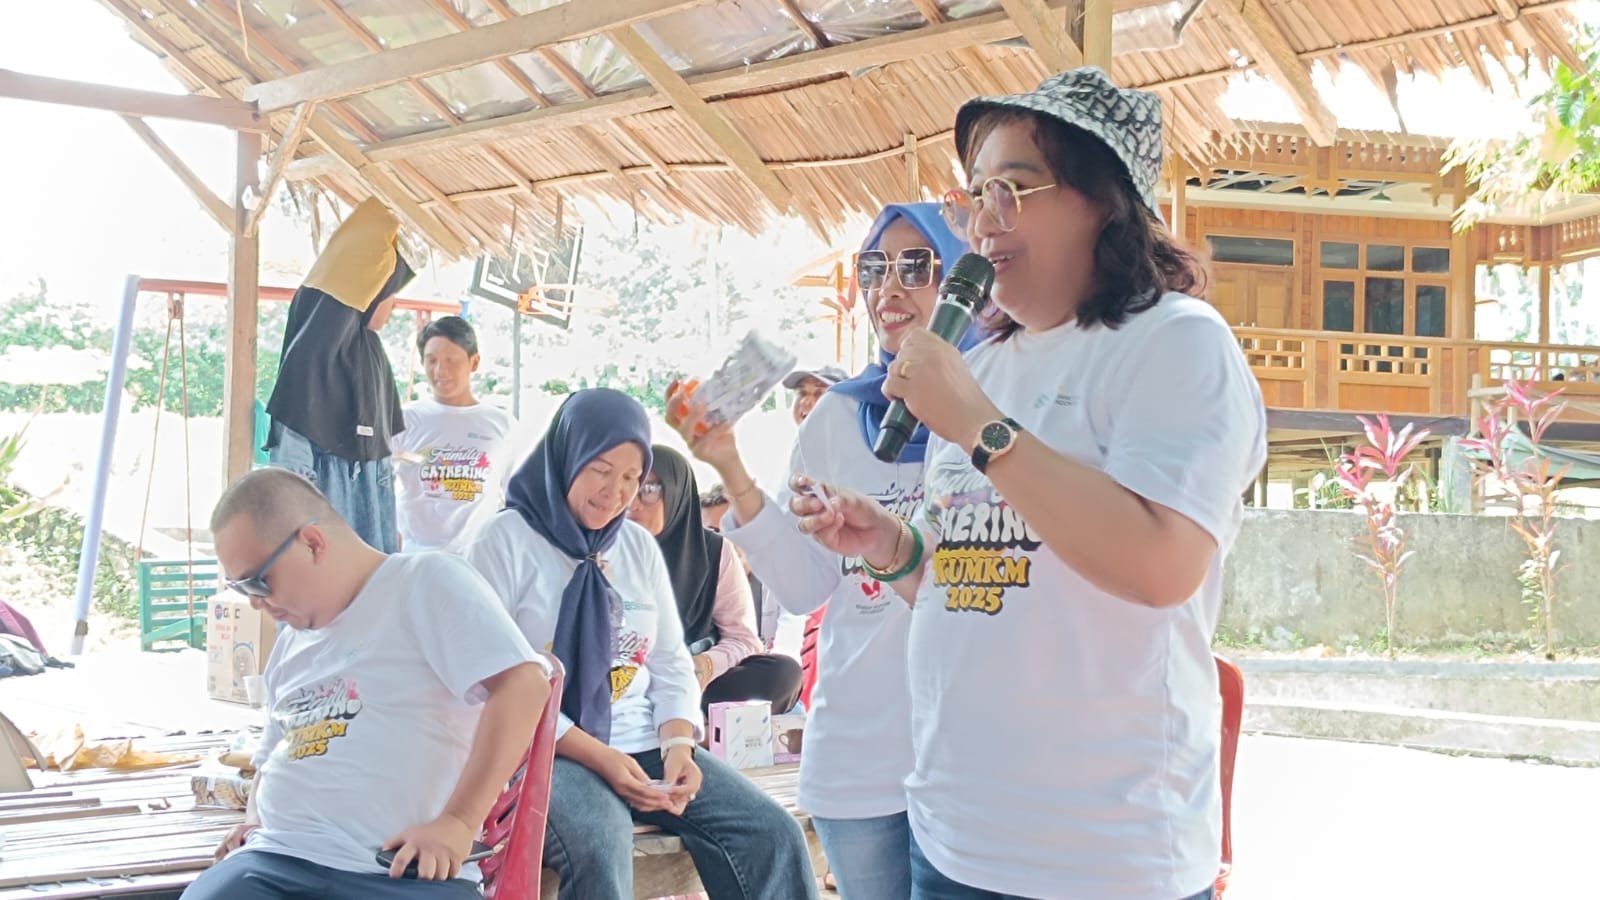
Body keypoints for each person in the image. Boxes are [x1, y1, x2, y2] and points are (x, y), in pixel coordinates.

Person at [788, 68, 1268, 900]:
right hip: (953, 840)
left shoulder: (1176, 343)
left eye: (1013, 188)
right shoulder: (983, 365)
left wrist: (980, 427)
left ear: (1102, 200)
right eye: (976, 194)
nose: (984, 219)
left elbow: (1161, 566)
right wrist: (894, 550)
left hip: (1105, 860)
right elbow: (968, 586)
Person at [668, 201, 977, 899]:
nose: (889, 286)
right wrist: (730, 466)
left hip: (971, 752)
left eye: (916, 266)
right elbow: (806, 586)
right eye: (874, 267)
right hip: (860, 750)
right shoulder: (838, 416)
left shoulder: (994, 409)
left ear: (963, 280)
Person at [462, 389, 817, 900]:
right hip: (544, 751)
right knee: (600, 844)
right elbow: (496, 680)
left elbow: (670, 663)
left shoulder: (634, 546)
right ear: (567, 457)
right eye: (601, 470)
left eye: (632, 478)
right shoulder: (503, 542)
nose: (616, 492)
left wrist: (678, 748)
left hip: (645, 744)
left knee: (771, 833)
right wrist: (603, 760)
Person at [184, 468, 551, 899]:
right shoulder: (290, 644)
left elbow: (524, 685)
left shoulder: (425, 581)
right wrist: (253, 822)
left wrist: (458, 822)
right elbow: (271, 756)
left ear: (312, 543)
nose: (255, 602)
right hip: (276, 861)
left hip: (398, 871)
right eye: (240, 587)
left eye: (258, 581)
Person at [264, 198, 412, 552]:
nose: (394, 305)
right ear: (369, 295)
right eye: (390, 294)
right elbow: (292, 484)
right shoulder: (311, 363)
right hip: (325, 553)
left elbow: (381, 461)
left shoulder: (369, 354)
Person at [628, 445, 802, 714]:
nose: (632, 503)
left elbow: (744, 640)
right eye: (628, 486)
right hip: (620, 677)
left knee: (782, 673)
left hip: (694, 678)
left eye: (648, 490)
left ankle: (687, 717)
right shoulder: (603, 547)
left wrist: (704, 666)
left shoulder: (714, 551)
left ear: (676, 491)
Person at [391, 316, 516, 552]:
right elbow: (378, 486)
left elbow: (516, 497)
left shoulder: (502, 424)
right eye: (432, 360)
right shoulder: (403, 419)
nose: (440, 370)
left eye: (451, 360)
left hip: (477, 559)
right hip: (414, 557)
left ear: (474, 362)